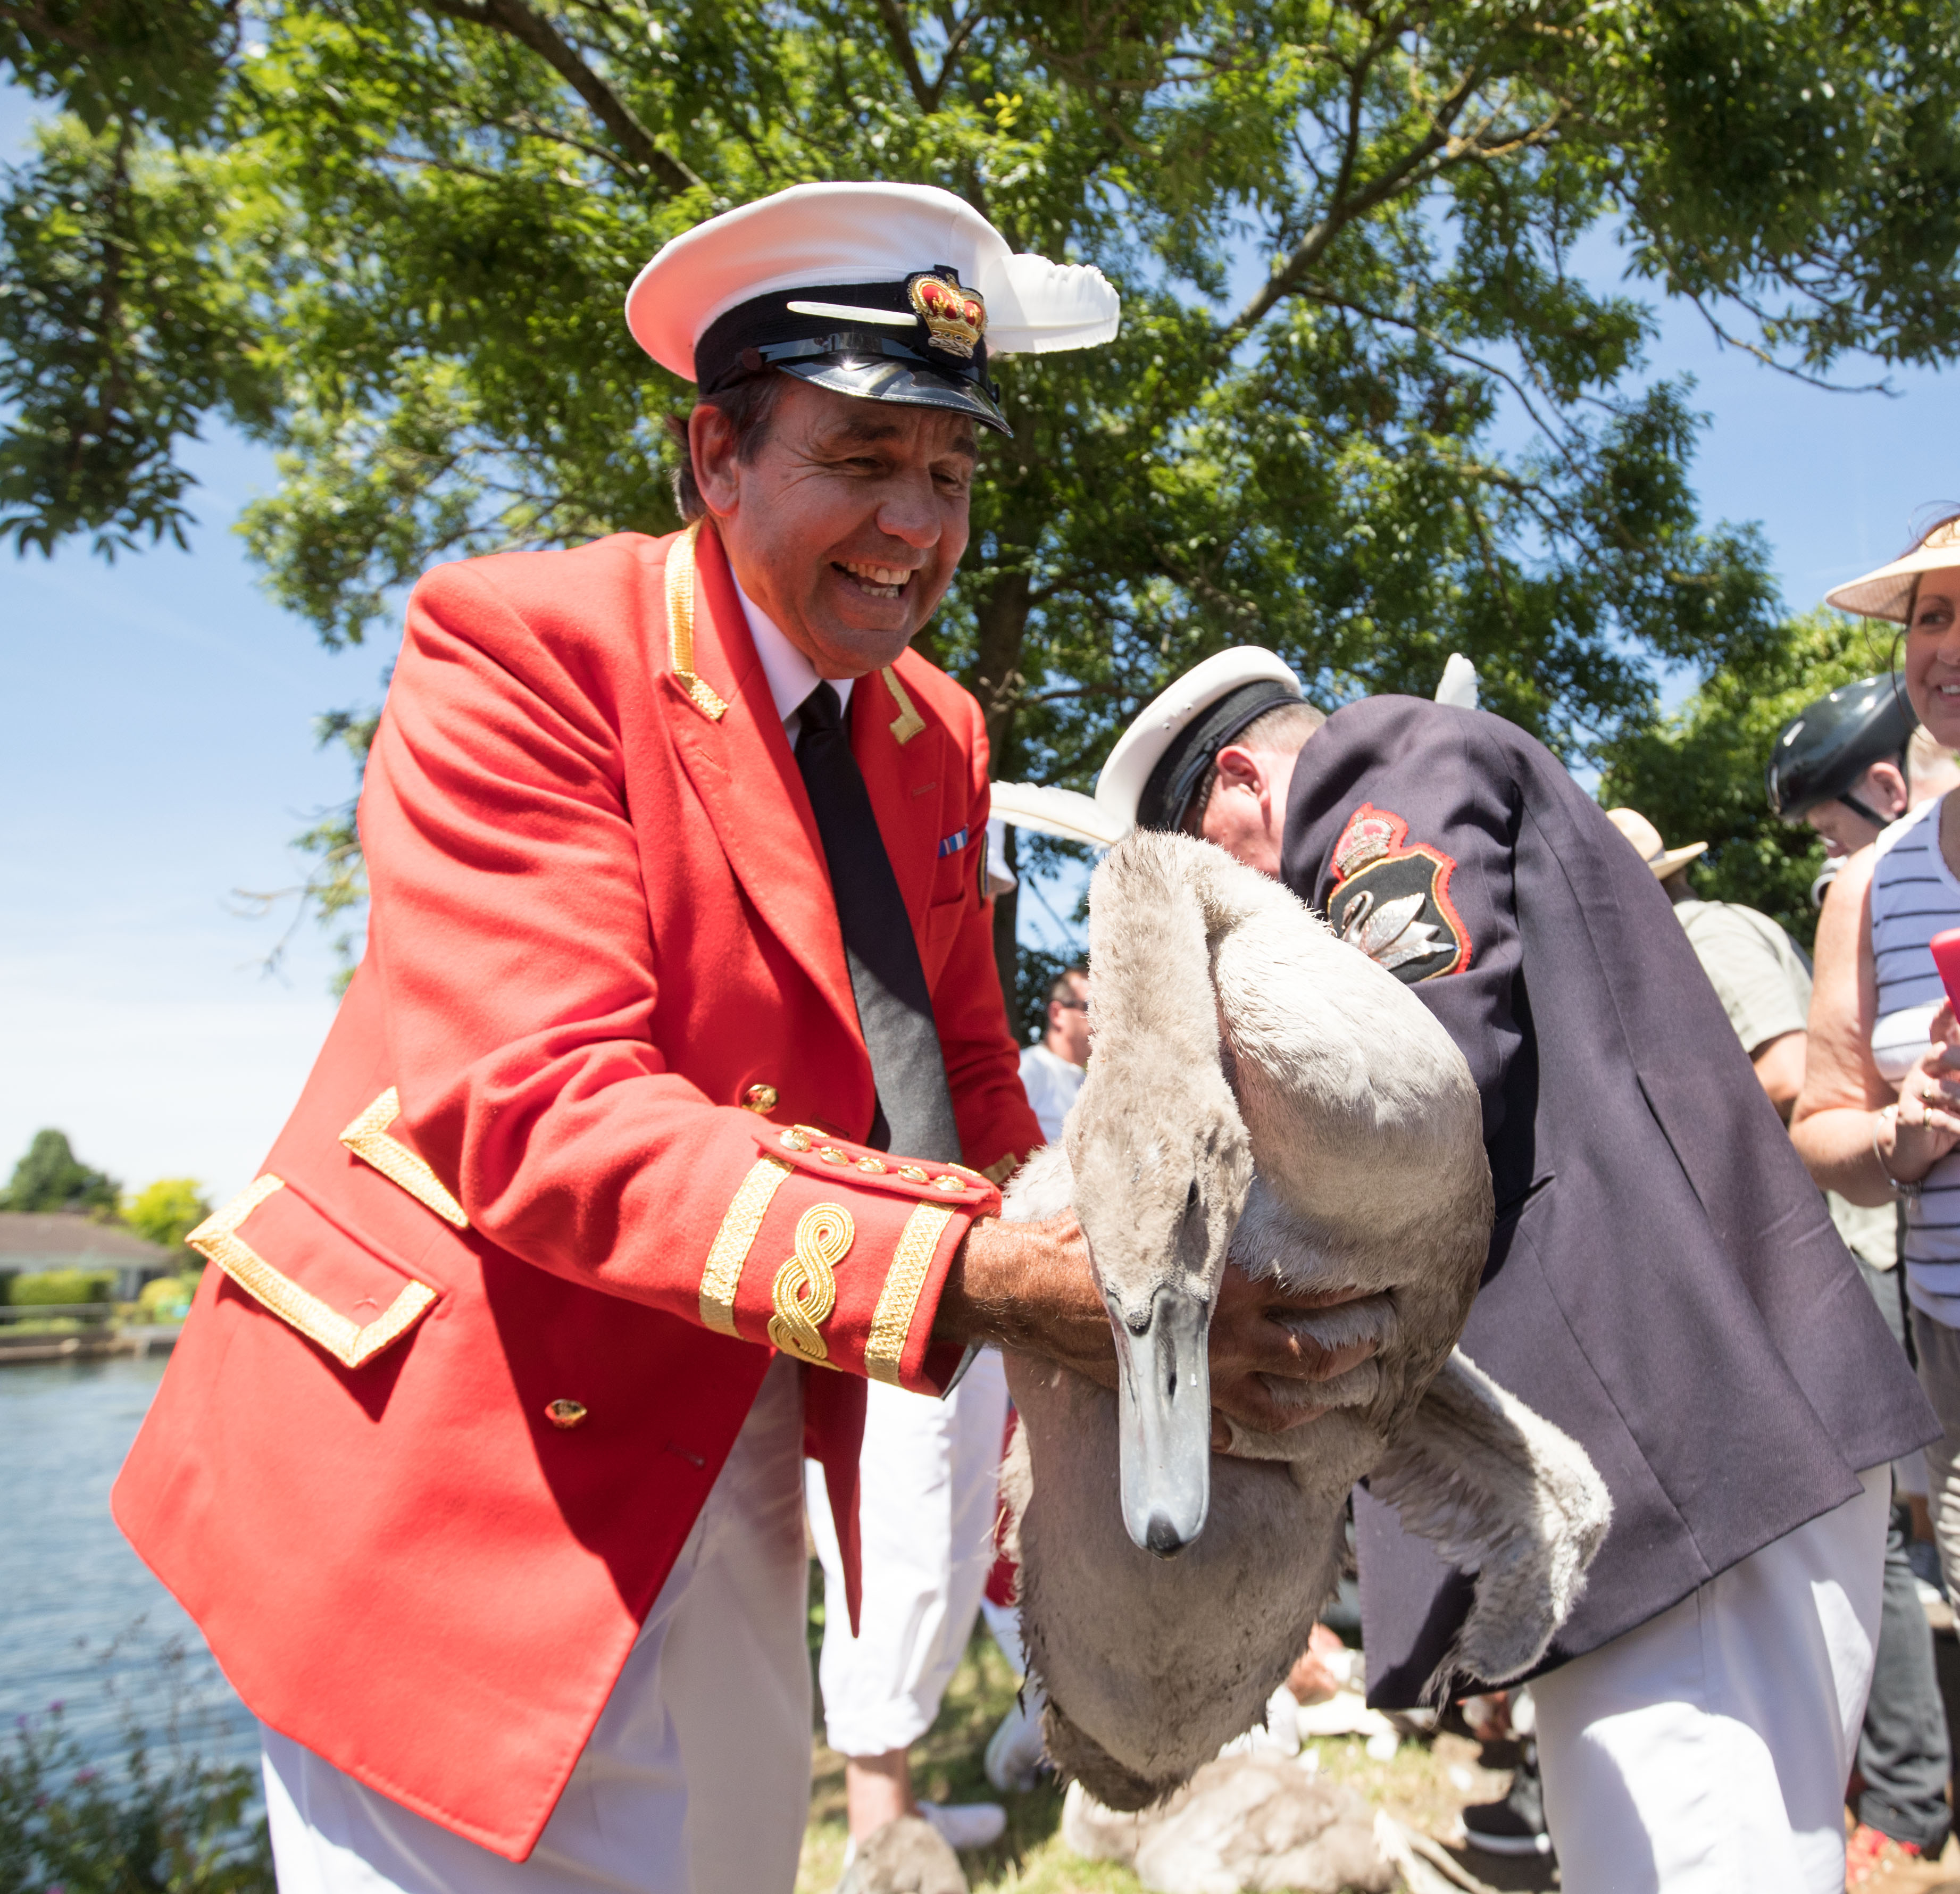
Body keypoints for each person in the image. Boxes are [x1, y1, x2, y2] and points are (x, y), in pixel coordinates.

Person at [109, 186, 1363, 1894]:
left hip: (739, 1438)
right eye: (862, 457)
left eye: (951, 474)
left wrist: (1138, 1245)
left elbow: (966, 1079)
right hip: (452, 1463)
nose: (914, 526)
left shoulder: (935, 725)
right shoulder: (523, 643)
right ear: (716, 455)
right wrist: (995, 1279)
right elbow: (544, 1117)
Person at [1088, 644, 1934, 1892]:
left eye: (1203, 878)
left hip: (1670, 1448)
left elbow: (1409, 1083)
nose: (1222, 925)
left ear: (1234, 786)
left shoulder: (1380, 763)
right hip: (1683, 1438)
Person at [1608, 804, 1951, 1880]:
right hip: (1820, 1271)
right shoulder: (1632, 965)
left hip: (1810, 1256)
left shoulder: (1703, 936)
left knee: (1863, 1517)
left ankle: (1903, 1785)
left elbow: (1793, 1068)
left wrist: (1640, 1101)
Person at [1793, 506, 1960, 1668]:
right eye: (1932, 616)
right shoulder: (1873, 884)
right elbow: (1819, 1126)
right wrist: (1901, 1132)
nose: (1945, 644)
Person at [1019, 966, 1089, 1141]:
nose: (1101, 1019)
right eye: (1090, 1007)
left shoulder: (1087, 1081)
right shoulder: (1030, 1068)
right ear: (1057, 1014)